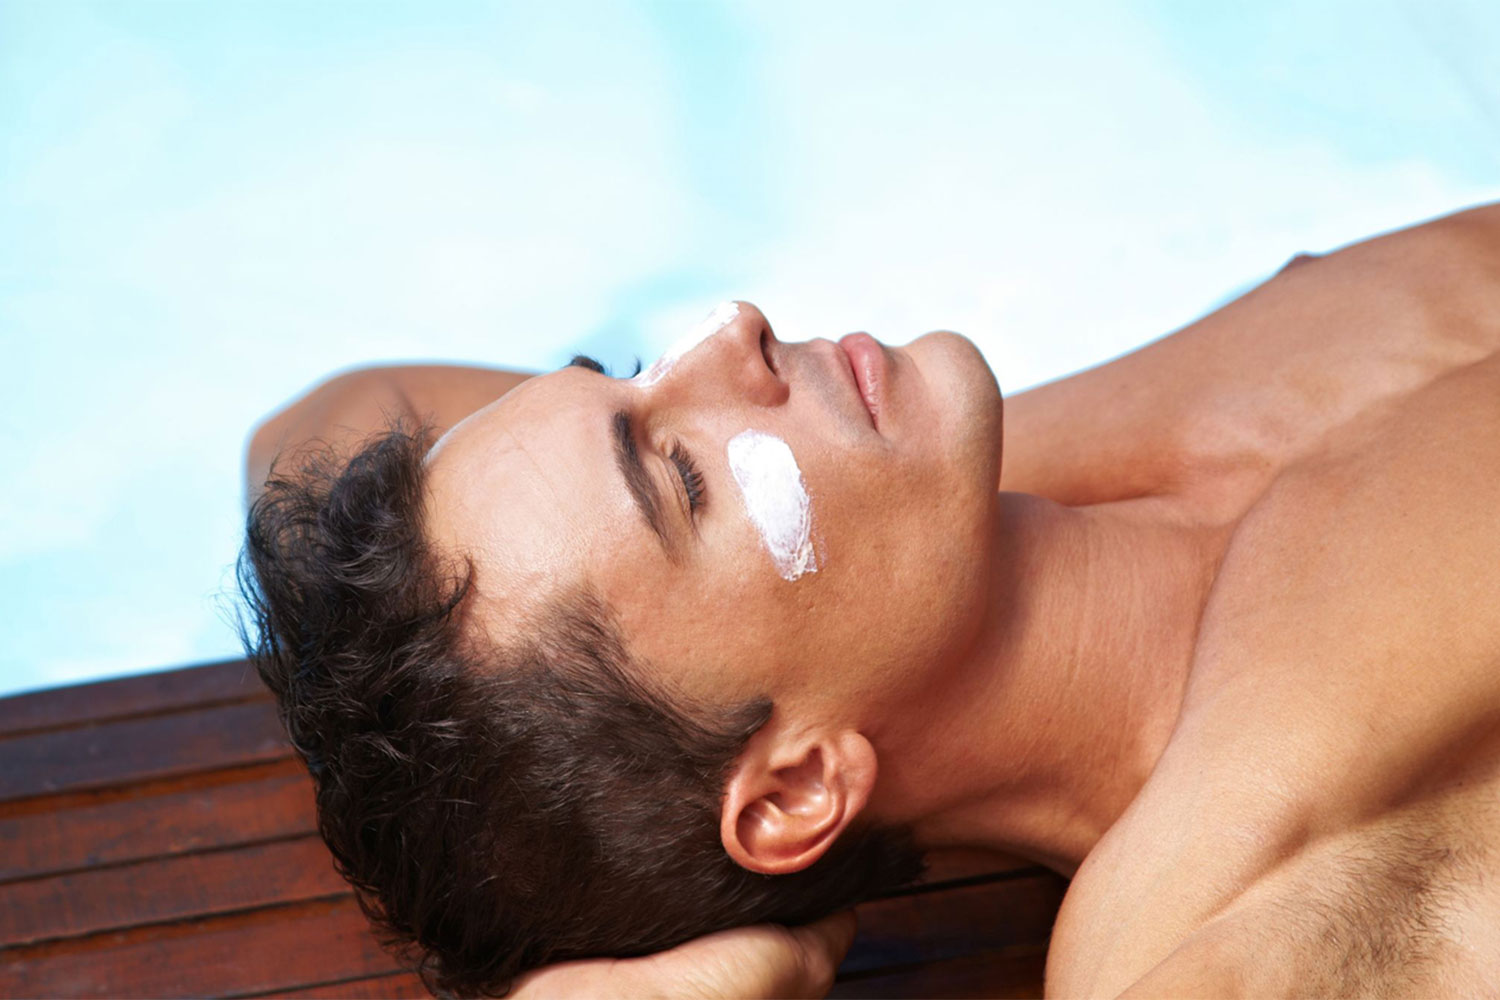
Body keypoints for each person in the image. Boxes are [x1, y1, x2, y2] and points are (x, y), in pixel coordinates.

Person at [241, 202, 1500, 998]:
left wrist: (891, 495)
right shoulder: (1234, 897)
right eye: (678, 474)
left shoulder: (988, 474)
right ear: (794, 790)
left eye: (633, 377)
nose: (732, 331)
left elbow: (315, 426)